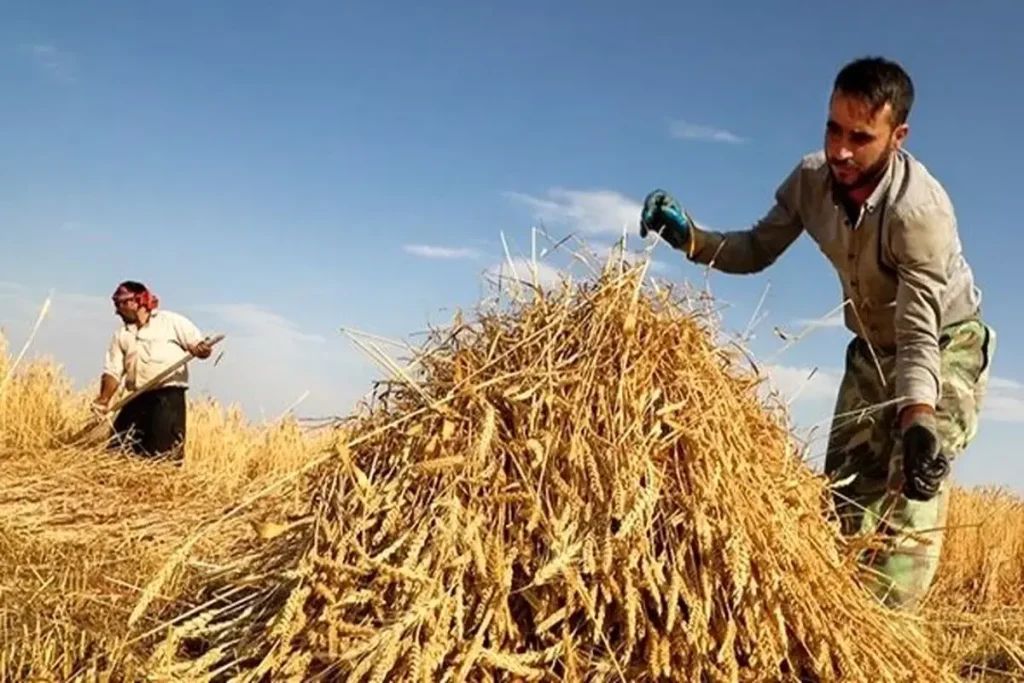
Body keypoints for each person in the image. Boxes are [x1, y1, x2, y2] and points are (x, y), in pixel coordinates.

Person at [638, 56, 995, 611]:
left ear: (897, 137)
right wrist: (690, 238)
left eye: (860, 136)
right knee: (842, 503)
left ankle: (885, 649)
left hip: (944, 347)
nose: (841, 151)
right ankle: (837, 626)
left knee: (912, 494)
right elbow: (756, 248)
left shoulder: (920, 211)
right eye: (833, 128)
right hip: (871, 351)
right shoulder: (810, 181)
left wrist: (919, 417)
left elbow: (919, 325)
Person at [92, 280, 213, 462]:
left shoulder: (171, 322)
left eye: (121, 304)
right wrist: (103, 400)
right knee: (116, 452)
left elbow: (199, 346)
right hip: (135, 398)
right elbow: (113, 372)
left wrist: (201, 350)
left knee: (163, 457)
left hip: (167, 400)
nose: (117, 311)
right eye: (116, 305)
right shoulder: (121, 335)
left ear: (138, 300)